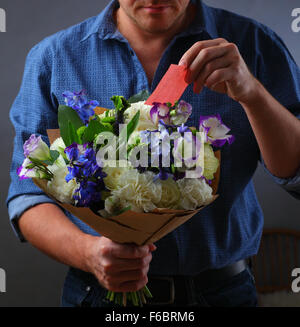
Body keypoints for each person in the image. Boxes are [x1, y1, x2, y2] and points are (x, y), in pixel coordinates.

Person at [6, 0, 300, 307]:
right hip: (97, 296)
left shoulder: (255, 44)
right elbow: (28, 195)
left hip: (223, 293)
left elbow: (295, 173)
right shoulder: (54, 57)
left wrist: (253, 94)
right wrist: (88, 253)